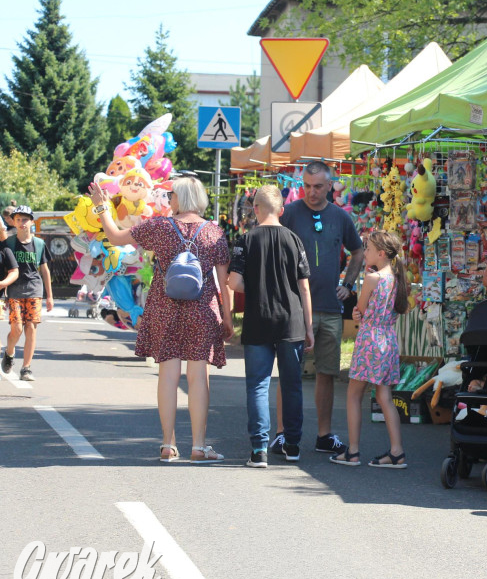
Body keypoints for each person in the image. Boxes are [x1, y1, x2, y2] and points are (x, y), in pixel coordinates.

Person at [88, 176, 233, 464]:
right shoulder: (214, 232)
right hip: (202, 308)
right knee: (198, 377)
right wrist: (227, 318)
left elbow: (116, 237)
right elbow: (223, 280)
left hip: (165, 307)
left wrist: (102, 207)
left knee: (168, 375)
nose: (169, 199)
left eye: (172, 194)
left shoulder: (159, 227)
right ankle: (199, 446)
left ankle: (168, 444)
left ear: (179, 198)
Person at [279, 161, 364, 456]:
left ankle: (324, 435)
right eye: (307, 186)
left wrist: (349, 284)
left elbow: (358, 250)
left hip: (329, 306)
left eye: (318, 186)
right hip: (295, 308)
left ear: (330, 185)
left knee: (326, 372)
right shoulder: (288, 213)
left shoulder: (340, 217)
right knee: (290, 372)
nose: (311, 192)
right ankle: (281, 433)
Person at [227, 185, 315, 468]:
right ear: (282, 210)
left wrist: (255, 287)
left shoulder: (245, 239)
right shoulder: (294, 240)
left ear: (255, 209)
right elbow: (304, 287)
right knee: (292, 385)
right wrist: (309, 326)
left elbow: (234, 282)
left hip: (258, 319)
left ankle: (258, 449)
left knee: (258, 386)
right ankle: (292, 446)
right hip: (292, 322)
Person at [330, 230, 409, 469]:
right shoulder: (396, 277)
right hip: (387, 340)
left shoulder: (373, 279)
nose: (364, 252)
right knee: (384, 396)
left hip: (369, 340)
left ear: (381, 253)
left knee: (354, 395)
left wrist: (358, 311)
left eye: (368, 249)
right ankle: (397, 452)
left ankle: (353, 451)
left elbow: (360, 308)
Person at [2, 207, 54, 382]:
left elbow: (44, 270)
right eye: (18, 219)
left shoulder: (39, 244)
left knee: (31, 328)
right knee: (16, 329)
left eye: (25, 219)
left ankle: (26, 368)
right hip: (15, 289)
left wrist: (49, 295)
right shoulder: (9, 243)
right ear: (14, 222)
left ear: (31, 222)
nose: (22, 223)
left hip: (34, 289)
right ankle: (9, 354)